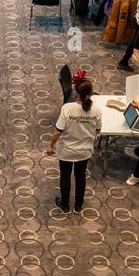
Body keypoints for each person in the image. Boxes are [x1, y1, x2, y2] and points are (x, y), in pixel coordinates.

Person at [47, 76, 101, 213]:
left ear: (76, 93)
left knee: (65, 176)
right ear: (90, 93)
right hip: (85, 151)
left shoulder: (67, 108)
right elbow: (98, 130)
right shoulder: (96, 110)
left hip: (67, 150)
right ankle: (78, 204)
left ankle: (64, 205)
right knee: (80, 176)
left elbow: (58, 132)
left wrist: (50, 146)